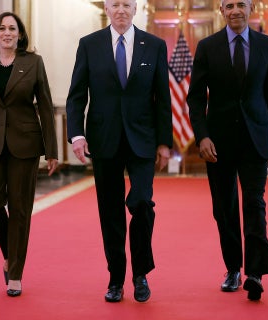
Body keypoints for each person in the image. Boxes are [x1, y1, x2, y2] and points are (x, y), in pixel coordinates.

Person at [66, 0, 171, 303]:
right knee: (110, 212)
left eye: (127, 4)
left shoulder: (154, 45)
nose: (121, 9)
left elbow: (162, 97)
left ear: (135, 8)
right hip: (104, 139)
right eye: (115, 4)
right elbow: (76, 96)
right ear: (107, 9)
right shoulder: (89, 45)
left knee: (141, 202)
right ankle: (116, 279)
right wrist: (76, 135)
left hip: (142, 140)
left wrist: (164, 142)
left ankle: (140, 274)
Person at [187, 0, 268, 301]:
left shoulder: (267, 44)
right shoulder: (207, 47)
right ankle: (232, 269)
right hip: (218, 143)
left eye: (241, 4)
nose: (235, 11)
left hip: (256, 139)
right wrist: (201, 137)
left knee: (255, 203)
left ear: (250, 8)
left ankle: (255, 273)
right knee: (224, 209)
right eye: (229, 6)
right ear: (222, 12)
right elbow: (195, 98)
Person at [0, 12, 58, 297]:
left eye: (12, 28)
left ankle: (15, 273)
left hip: (24, 145)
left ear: (20, 34)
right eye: (2, 28)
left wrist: (52, 150)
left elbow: (44, 106)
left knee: (19, 210)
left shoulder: (33, 62)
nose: (7, 33)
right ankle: (9, 253)